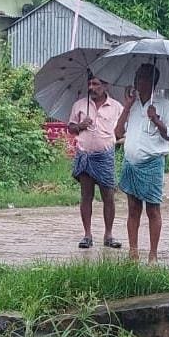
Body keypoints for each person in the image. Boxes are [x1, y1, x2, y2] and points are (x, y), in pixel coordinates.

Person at [114, 63, 169, 263]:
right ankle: (133, 252)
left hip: (152, 163)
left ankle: (153, 255)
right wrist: (126, 106)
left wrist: (156, 120)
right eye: (136, 77)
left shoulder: (163, 104)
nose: (137, 81)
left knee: (152, 210)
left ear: (151, 82)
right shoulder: (132, 105)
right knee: (133, 209)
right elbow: (118, 132)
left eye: (141, 77)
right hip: (131, 163)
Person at [68, 75, 123, 249]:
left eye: (96, 84)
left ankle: (108, 235)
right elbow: (70, 127)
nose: (91, 87)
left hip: (105, 156)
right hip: (84, 155)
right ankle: (87, 235)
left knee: (108, 196)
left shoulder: (116, 107)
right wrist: (80, 126)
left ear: (106, 86)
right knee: (86, 195)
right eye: (90, 84)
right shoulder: (80, 105)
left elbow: (121, 131)